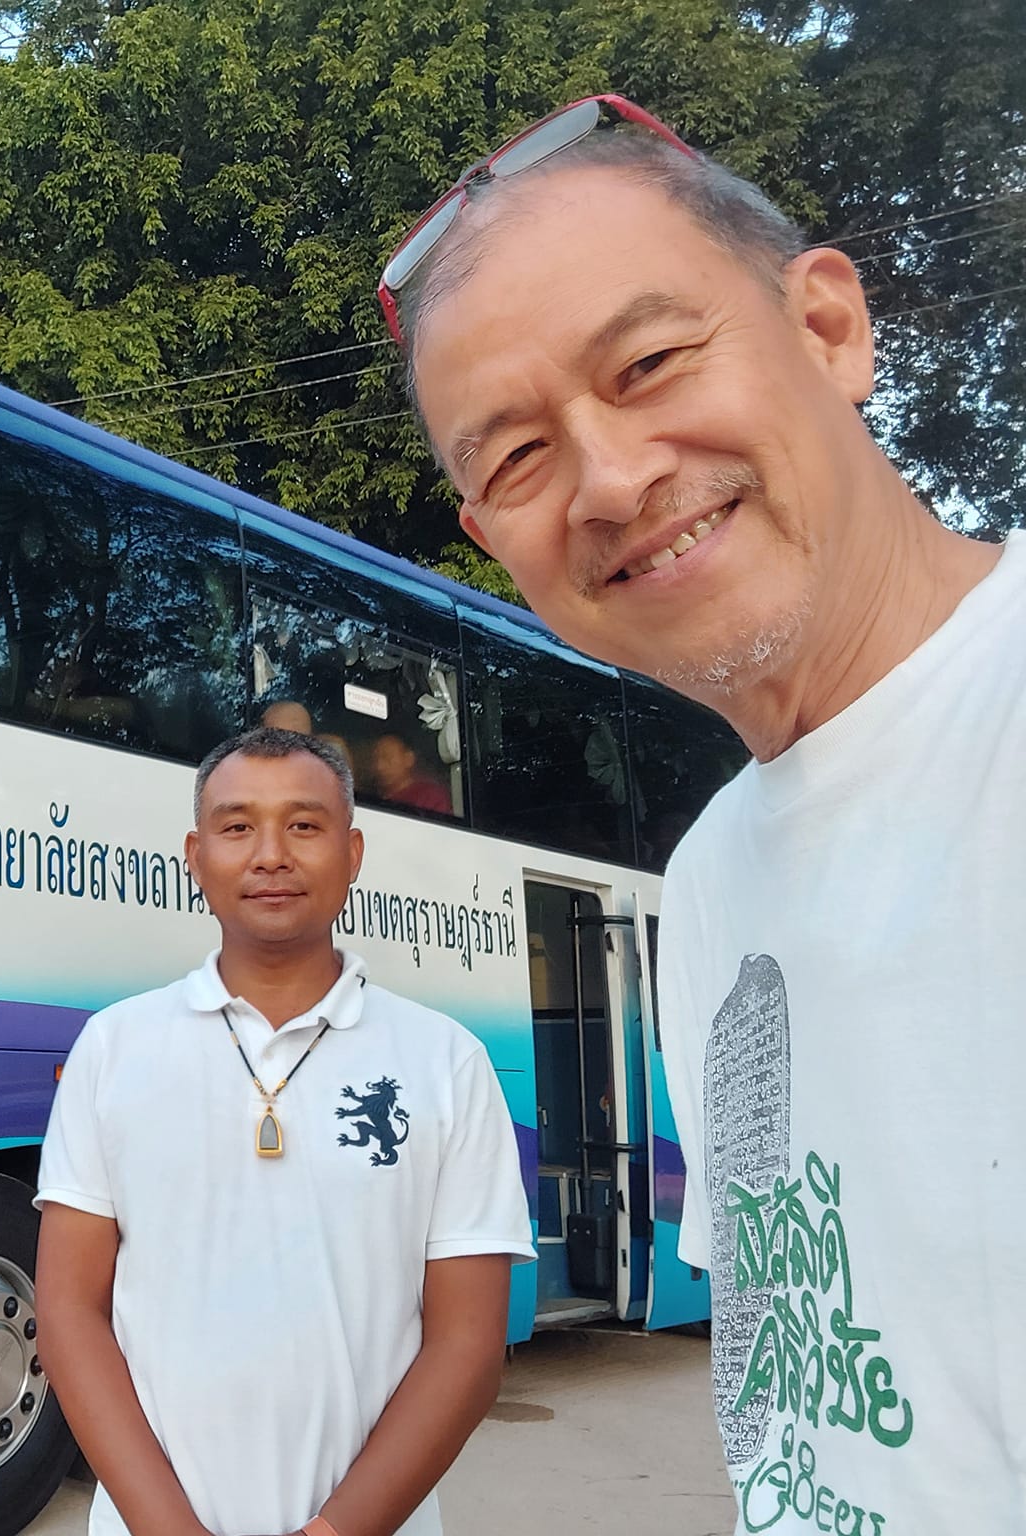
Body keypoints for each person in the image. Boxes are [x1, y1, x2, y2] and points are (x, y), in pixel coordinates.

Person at [391, 94, 1025, 1532]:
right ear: (495, 543)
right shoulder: (708, 885)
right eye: (517, 458)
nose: (612, 482)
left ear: (828, 330)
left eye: (650, 363)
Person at [36, 727, 533, 1536]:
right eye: (238, 827)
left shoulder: (446, 1061)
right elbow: (67, 1311)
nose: (271, 855)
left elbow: (468, 1348)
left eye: (304, 825)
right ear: (196, 857)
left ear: (353, 853)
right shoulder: (114, 1048)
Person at [366, 733, 452, 815]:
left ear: (409, 759)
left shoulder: (430, 796)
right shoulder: (369, 799)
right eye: (375, 759)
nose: (379, 766)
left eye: (388, 758)